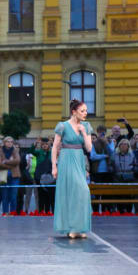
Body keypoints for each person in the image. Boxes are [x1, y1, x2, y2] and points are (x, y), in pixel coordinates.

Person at [52, 99, 93, 239]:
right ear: (73, 112)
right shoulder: (63, 126)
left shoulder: (86, 126)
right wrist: (54, 166)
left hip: (79, 159)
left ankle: (80, 227)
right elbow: (54, 147)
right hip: (66, 160)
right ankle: (72, 228)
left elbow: (89, 148)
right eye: (82, 111)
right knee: (71, 193)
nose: (85, 113)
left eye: (86, 110)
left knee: (83, 192)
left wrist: (83, 133)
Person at [90, 126, 115, 212]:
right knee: (96, 193)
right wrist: (104, 156)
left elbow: (112, 153)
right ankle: (96, 211)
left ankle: (105, 210)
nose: (101, 133)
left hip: (108, 171)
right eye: (100, 131)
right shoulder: (94, 143)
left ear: (105, 132)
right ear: (97, 132)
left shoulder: (110, 142)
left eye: (103, 131)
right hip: (97, 171)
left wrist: (106, 143)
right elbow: (92, 156)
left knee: (106, 193)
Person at [110, 138, 136, 214]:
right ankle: (120, 211)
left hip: (129, 177)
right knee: (119, 195)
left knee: (128, 196)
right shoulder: (114, 154)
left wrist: (133, 169)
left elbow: (135, 164)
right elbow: (110, 164)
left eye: (125, 144)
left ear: (128, 146)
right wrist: (111, 169)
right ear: (119, 146)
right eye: (122, 144)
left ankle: (129, 211)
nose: (123, 146)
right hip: (117, 177)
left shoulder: (132, 155)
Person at [0, 137, 20, 215]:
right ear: (4, 142)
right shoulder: (0, 151)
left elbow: (17, 161)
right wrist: (11, 164)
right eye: (8, 142)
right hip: (4, 176)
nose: (10, 143)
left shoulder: (15, 151)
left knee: (13, 196)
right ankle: (5, 212)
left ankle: (13, 212)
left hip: (15, 176)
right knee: (5, 196)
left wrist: (6, 161)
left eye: (11, 142)